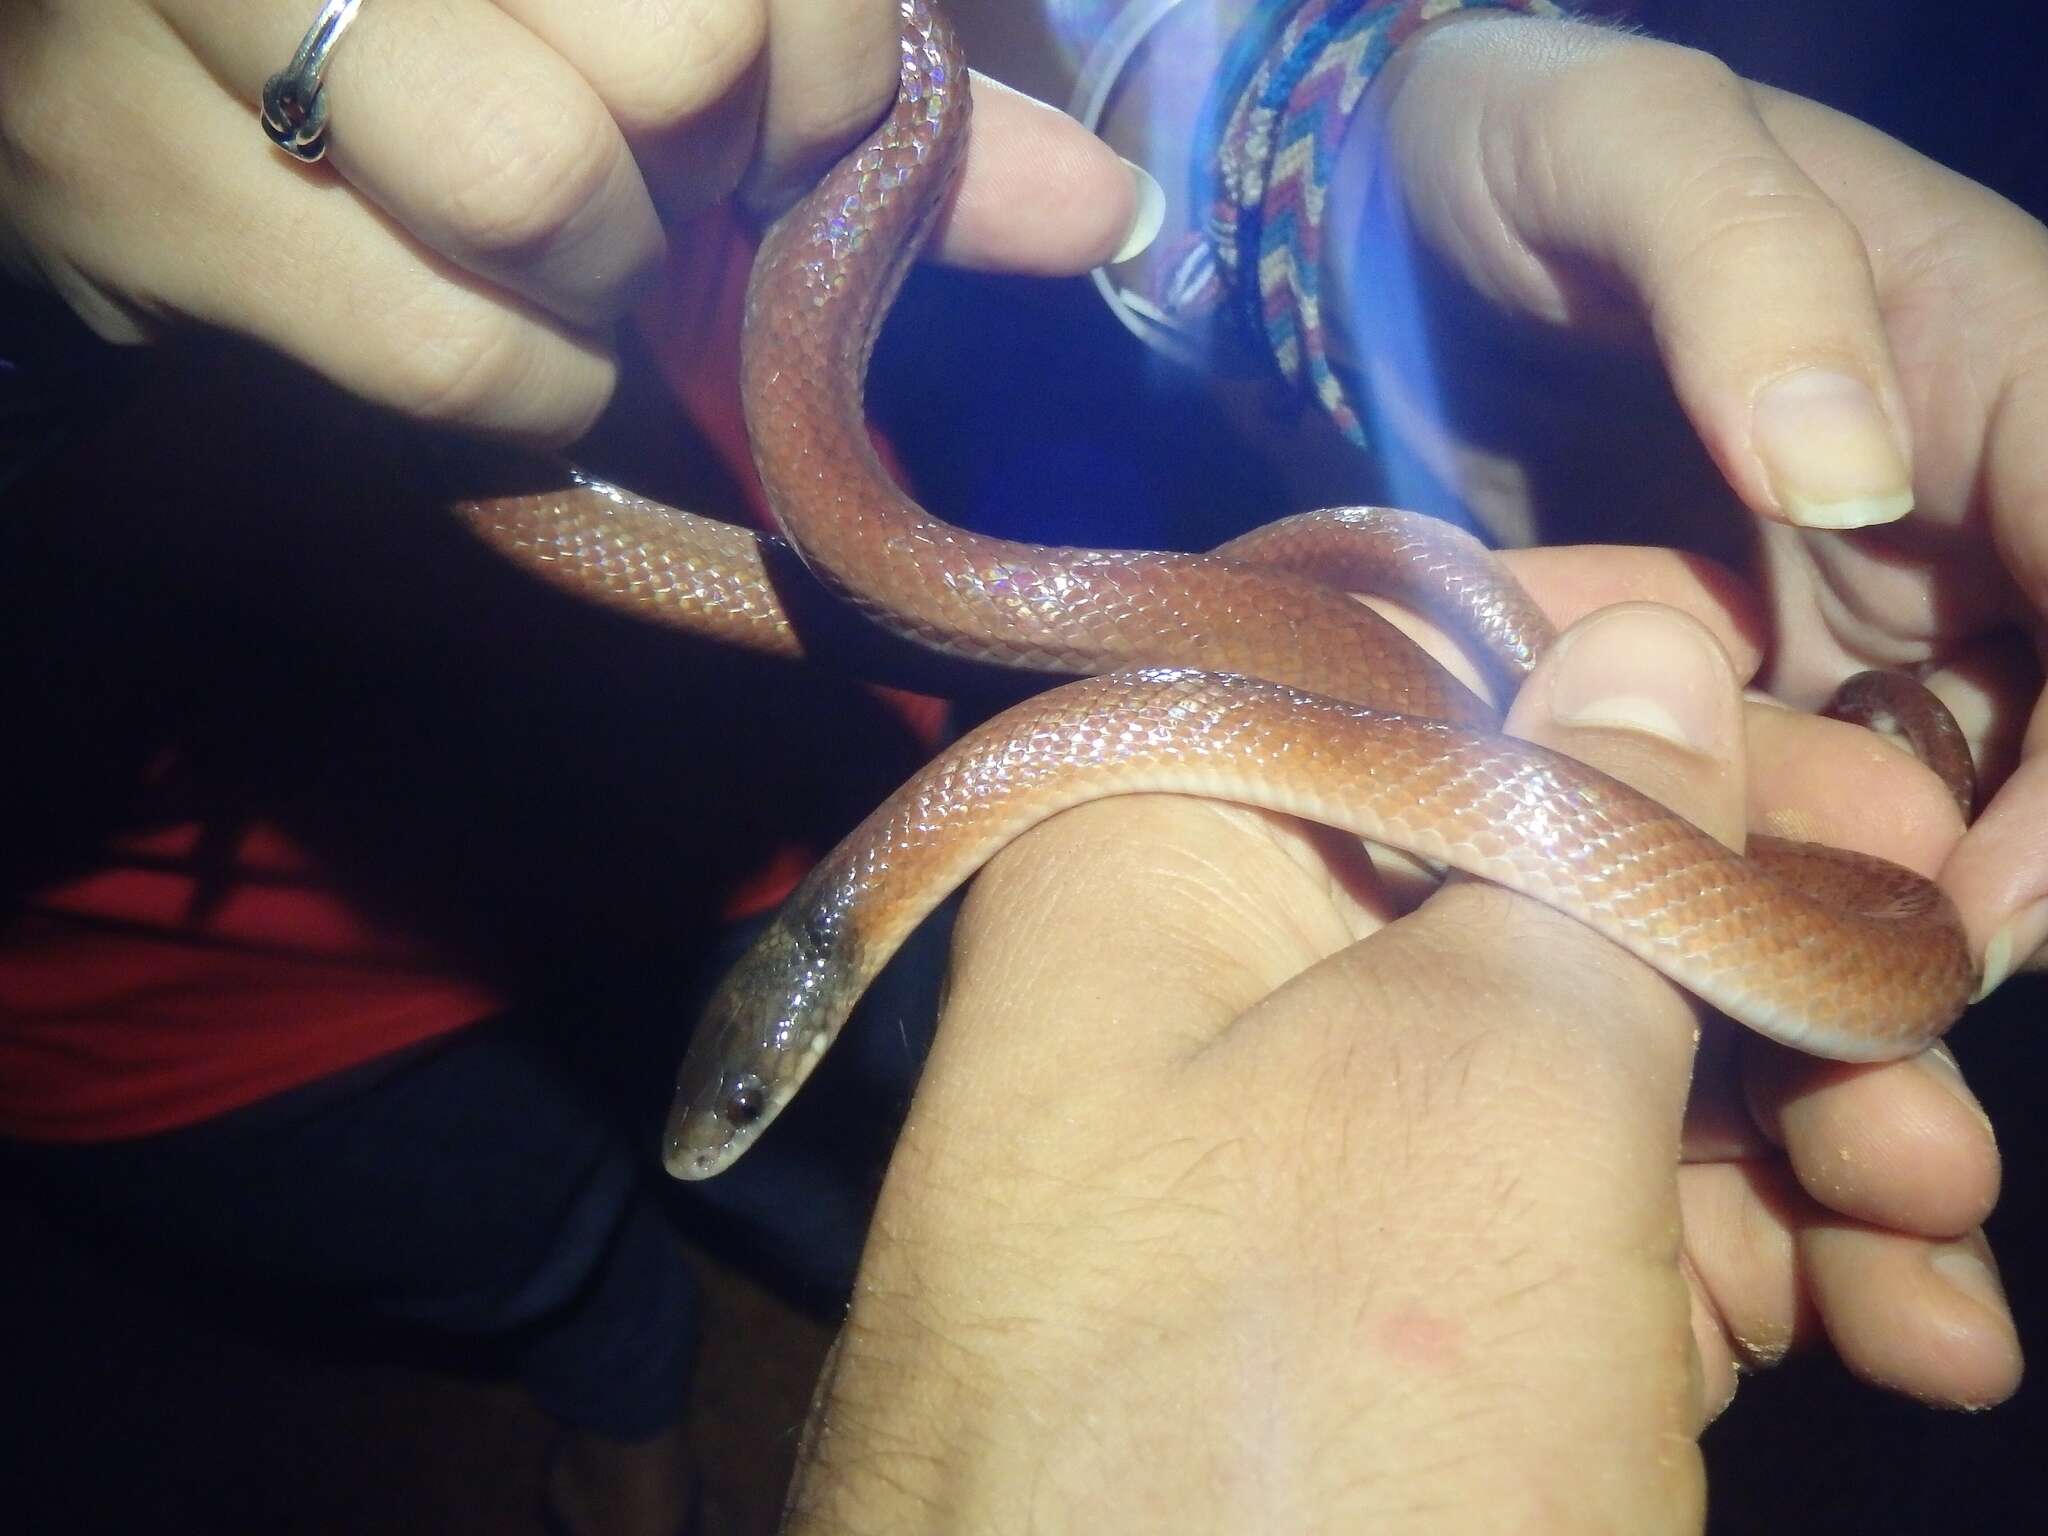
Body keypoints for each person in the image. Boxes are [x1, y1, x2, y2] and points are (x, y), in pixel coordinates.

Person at [0, 0, 2037, 1528]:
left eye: (756, 1078)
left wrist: (1340, 123)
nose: (740, 1102)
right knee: (581, 1236)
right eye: (751, 1079)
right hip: (188, 1038)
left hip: (787, 827)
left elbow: (1074, 59)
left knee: (882, 1192)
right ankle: (614, 1402)